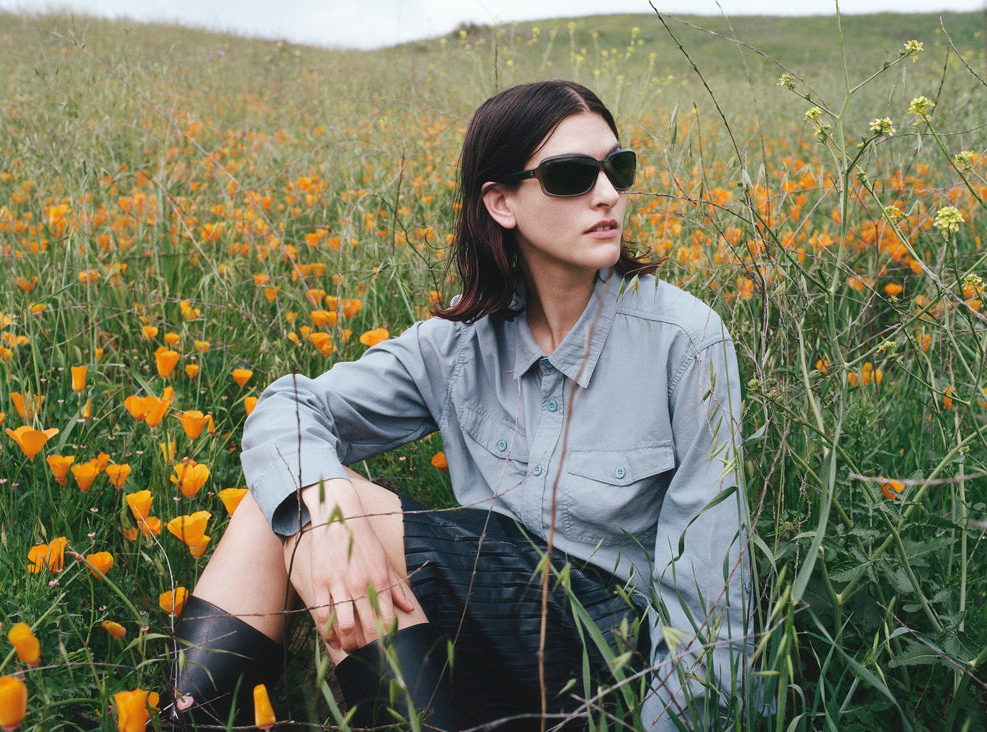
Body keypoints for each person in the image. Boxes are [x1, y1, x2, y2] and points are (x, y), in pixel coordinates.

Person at [168, 79, 751, 731]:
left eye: (618, 167)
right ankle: (193, 722)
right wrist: (324, 505)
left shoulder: (685, 340)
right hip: (483, 632)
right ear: (500, 203)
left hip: (608, 656)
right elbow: (289, 406)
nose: (607, 193)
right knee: (290, 500)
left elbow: (711, 585)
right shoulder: (457, 344)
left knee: (300, 506)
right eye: (571, 175)